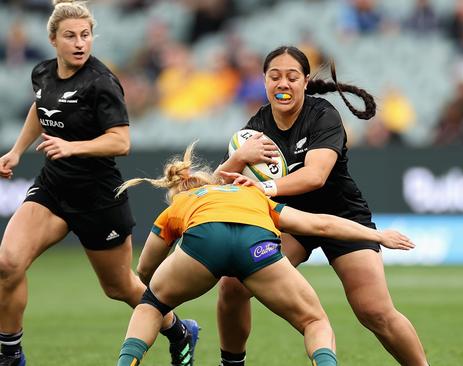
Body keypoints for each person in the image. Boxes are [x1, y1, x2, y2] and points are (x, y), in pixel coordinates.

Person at [0, 1, 199, 365]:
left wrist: (72, 147)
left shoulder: (102, 82)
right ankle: (10, 354)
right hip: (53, 188)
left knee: (119, 287)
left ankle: (179, 330)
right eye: (71, 36)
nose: (80, 43)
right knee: (7, 263)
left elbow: (121, 142)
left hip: (98, 198)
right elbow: (40, 107)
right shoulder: (42, 73)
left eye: (86, 35)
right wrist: (16, 151)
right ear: (53, 40)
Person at [215, 45, 429, 366]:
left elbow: (315, 176)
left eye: (291, 77)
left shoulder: (323, 116)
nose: (282, 84)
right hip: (290, 223)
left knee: (374, 311)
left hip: (341, 216)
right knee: (232, 287)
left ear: (304, 81)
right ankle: (232, 363)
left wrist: (263, 188)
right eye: (274, 77)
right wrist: (236, 160)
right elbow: (224, 182)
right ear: (264, 81)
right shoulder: (256, 127)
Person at [113, 142, 415, 366]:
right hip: (257, 246)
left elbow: (146, 267)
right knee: (314, 322)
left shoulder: (179, 205)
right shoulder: (252, 193)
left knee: (149, 305)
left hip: (203, 243)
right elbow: (320, 223)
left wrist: (159, 296)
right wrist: (377, 235)